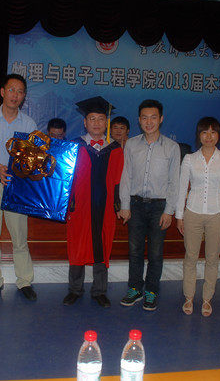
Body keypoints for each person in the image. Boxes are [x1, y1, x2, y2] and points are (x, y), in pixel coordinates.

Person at [0, 73, 38, 301]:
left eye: (20, 92)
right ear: (2, 92)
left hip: (16, 188)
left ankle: (24, 281)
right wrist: (1, 168)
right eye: (11, 90)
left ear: (24, 96)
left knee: (20, 237)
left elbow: (31, 158)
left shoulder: (29, 124)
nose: (15, 95)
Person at [117, 100, 180, 311]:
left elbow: (174, 182)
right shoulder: (131, 145)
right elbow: (126, 176)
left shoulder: (172, 147)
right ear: (139, 120)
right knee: (134, 250)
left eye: (153, 117)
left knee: (155, 253)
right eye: (144, 117)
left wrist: (169, 211)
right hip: (135, 204)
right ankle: (135, 288)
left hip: (159, 207)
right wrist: (125, 205)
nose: (149, 122)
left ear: (161, 119)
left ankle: (151, 291)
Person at [63, 96, 124, 308]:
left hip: (105, 208)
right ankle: (75, 290)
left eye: (100, 119)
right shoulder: (74, 147)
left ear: (106, 123)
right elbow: (65, 179)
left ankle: (99, 291)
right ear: (85, 122)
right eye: (92, 118)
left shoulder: (115, 149)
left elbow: (119, 181)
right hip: (79, 207)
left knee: (102, 245)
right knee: (77, 246)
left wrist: (119, 205)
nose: (96, 123)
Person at [175, 117, 220, 317]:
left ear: (218, 135)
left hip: (217, 214)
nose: (208, 136)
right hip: (192, 212)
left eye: (213, 132)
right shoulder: (189, 159)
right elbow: (181, 189)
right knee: (190, 257)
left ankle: (207, 298)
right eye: (204, 132)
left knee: (212, 258)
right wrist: (179, 216)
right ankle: (189, 297)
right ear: (199, 135)